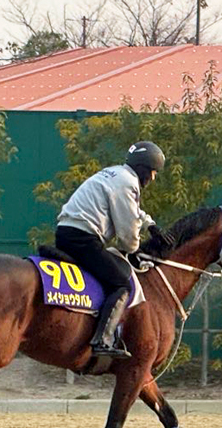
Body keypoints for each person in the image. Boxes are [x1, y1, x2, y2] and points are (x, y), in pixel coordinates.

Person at [55, 141, 174, 359]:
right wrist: (133, 251)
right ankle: (103, 339)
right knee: (121, 284)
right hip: (84, 239)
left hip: (67, 233)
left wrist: (151, 224)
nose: (153, 178)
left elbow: (133, 209)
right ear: (142, 169)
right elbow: (128, 234)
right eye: (153, 172)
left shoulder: (115, 173)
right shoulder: (128, 183)